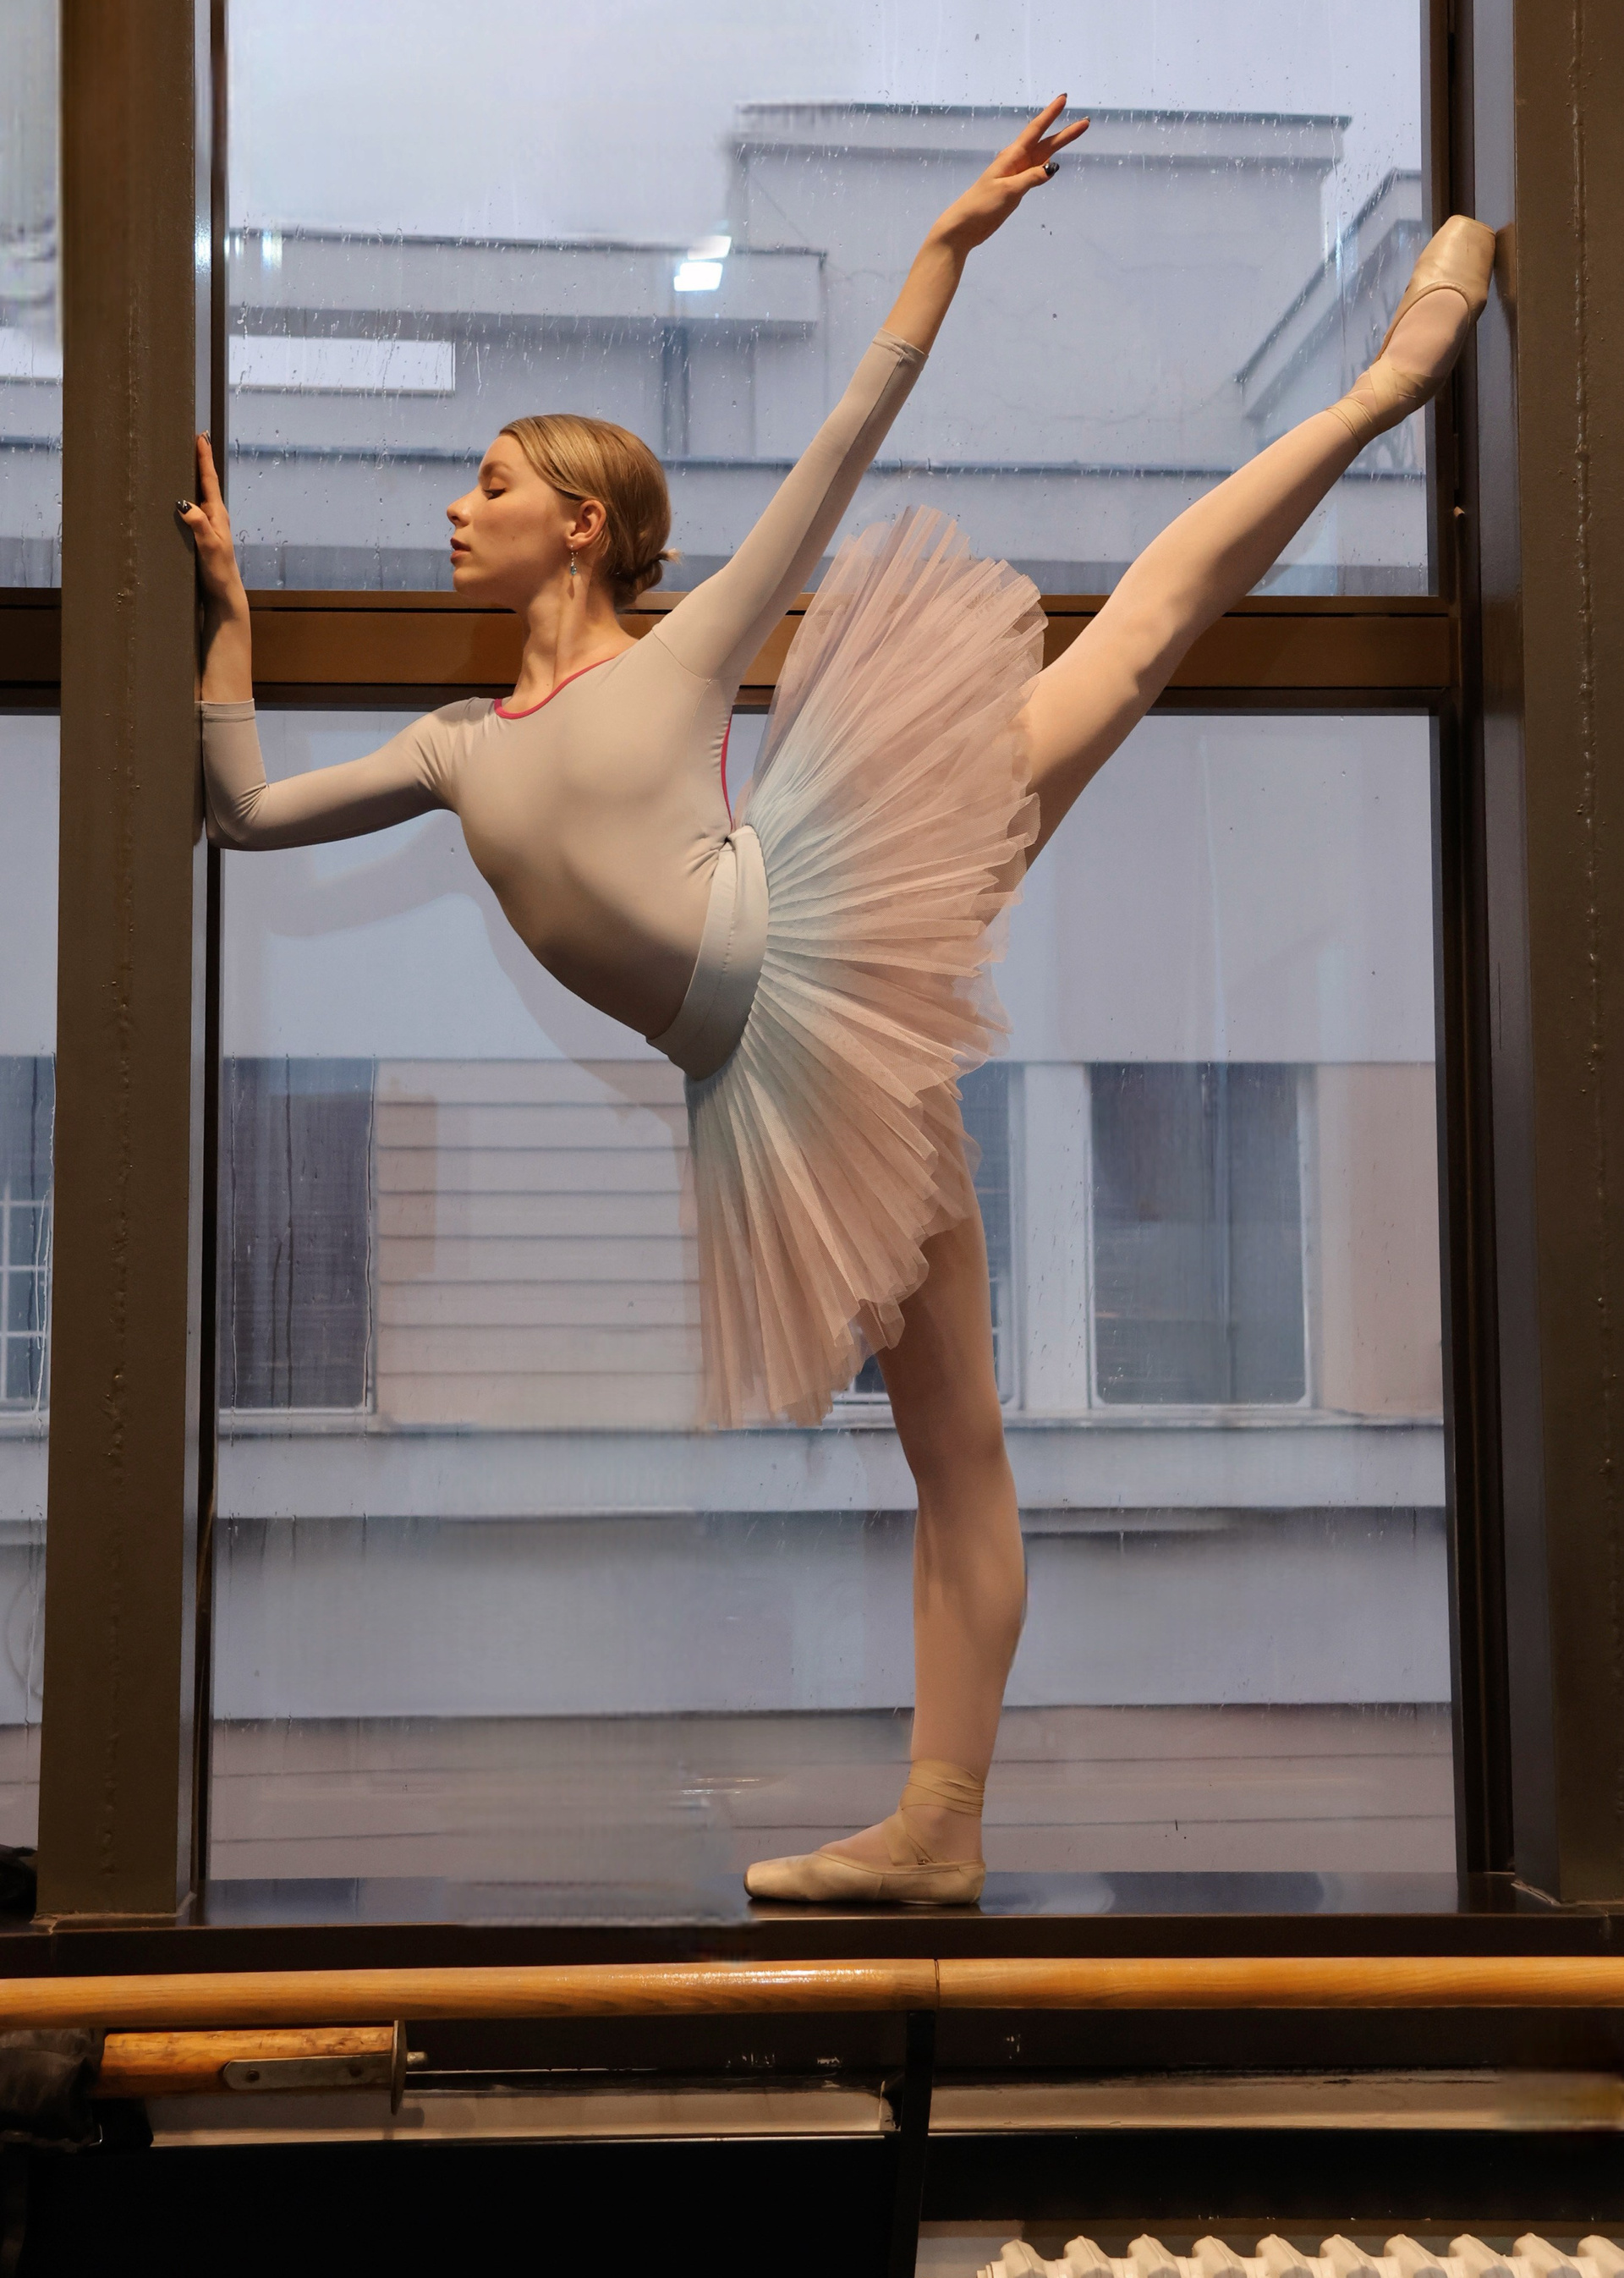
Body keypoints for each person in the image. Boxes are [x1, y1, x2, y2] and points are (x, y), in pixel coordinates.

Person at [181, 100, 1495, 1905]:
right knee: (951, 1442)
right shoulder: (457, 745)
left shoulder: (682, 651)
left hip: (832, 904)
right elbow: (247, 811)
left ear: (580, 525)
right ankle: (940, 1827)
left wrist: (942, 248)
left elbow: (849, 430)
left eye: (487, 484)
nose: (454, 510)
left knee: (1130, 642)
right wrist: (230, 611)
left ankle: (1387, 383)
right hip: (775, 1076)